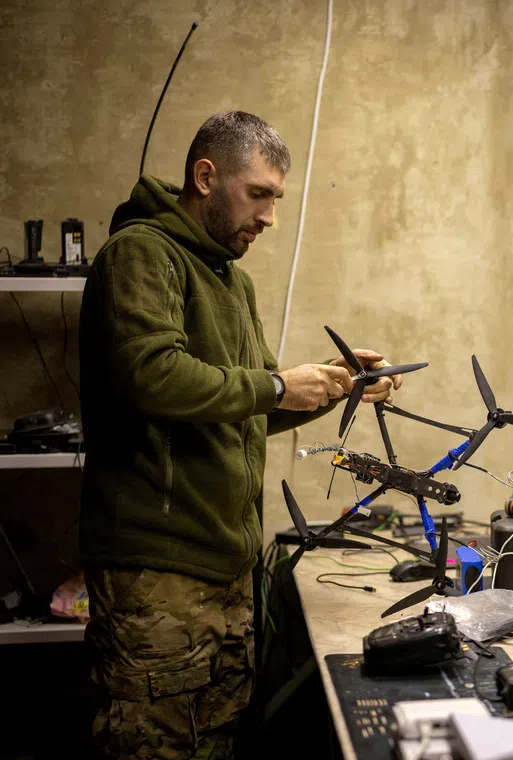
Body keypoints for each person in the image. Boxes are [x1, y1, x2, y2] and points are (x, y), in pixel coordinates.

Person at [78, 111, 403, 759]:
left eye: (277, 200)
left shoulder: (233, 279)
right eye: (259, 194)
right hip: (160, 574)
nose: (270, 218)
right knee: (159, 744)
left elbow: (242, 402)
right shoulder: (141, 254)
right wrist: (279, 386)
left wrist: (335, 384)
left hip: (226, 569)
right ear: (205, 176)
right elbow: (152, 375)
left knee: (216, 740)